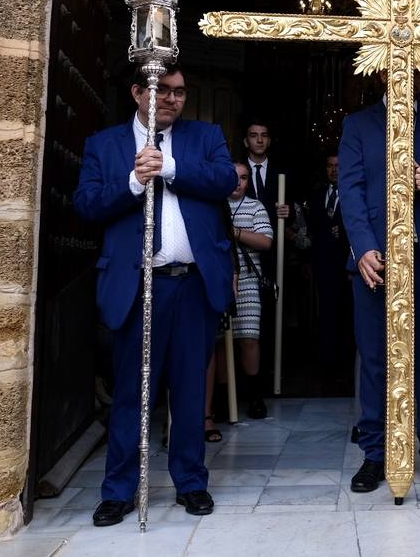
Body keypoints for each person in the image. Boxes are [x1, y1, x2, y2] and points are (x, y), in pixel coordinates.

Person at [73, 65, 238, 525]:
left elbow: (225, 180)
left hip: (192, 284)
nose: (171, 99)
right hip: (138, 284)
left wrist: (171, 168)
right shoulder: (105, 145)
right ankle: (119, 490)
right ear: (137, 92)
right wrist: (133, 182)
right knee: (131, 392)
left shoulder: (205, 137)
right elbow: (86, 204)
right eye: (161, 89)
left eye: (179, 92)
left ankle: (191, 482)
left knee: (189, 389)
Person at [340, 76, 420, 494]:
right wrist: (363, 246)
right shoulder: (358, 124)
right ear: (383, 69)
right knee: (376, 359)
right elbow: (350, 189)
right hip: (376, 259)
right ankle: (375, 454)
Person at [205, 161, 273, 439]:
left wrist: (235, 233)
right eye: (233, 177)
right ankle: (222, 399)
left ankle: (254, 395)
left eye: (244, 178)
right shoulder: (212, 205)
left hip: (246, 280)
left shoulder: (255, 207)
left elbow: (266, 241)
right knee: (220, 341)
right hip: (218, 279)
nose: (238, 182)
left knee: (248, 337)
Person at [240, 120, 289, 418]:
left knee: (270, 314)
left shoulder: (283, 171)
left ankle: (271, 374)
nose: (259, 140)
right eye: (253, 135)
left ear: (269, 141)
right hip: (240, 258)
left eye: (264, 136)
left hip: (273, 253)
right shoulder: (233, 172)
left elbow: (294, 210)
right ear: (246, 141)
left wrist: (288, 211)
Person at [306, 151, 355, 392]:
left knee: (347, 316)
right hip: (323, 267)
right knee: (325, 315)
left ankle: (347, 368)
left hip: (347, 268)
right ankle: (327, 368)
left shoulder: (354, 194)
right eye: (330, 165)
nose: (334, 170)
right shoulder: (317, 197)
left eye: (338, 165)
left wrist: (342, 234)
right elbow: (310, 230)